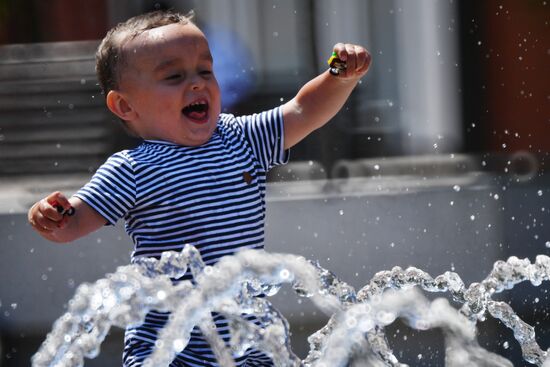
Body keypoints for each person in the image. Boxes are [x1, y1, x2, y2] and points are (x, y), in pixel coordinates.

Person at [27, 10, 371, 367]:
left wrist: (338, 78)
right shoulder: (132, 169)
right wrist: (52, 216)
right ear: (125, 105)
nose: (197, 83)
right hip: (167, 348)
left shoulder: (241, 138)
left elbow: (302, 110)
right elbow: (74, 222)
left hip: (250, 342)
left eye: (206, 70)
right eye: (174, 76)